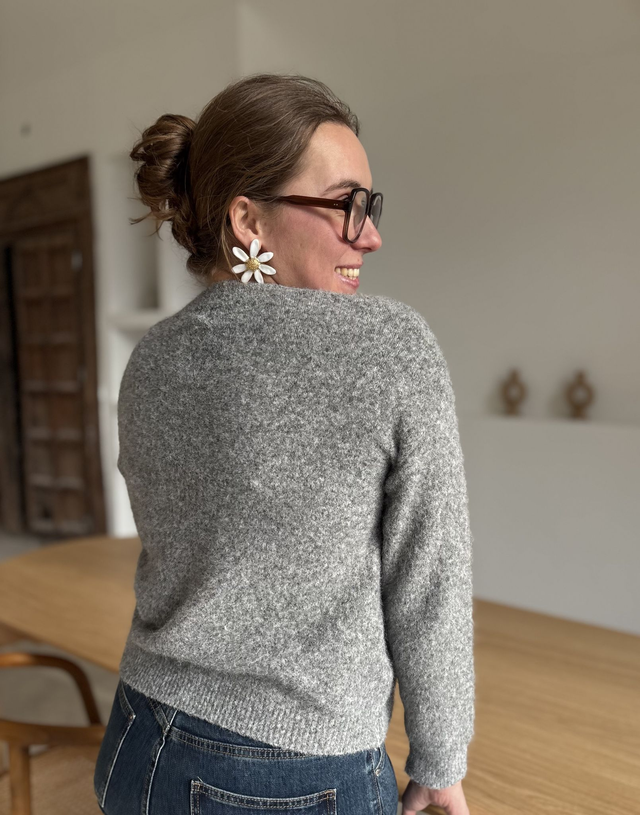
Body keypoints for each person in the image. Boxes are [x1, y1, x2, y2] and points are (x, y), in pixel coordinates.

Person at [93, 72, 475, 815]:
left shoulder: (153, 358)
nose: (370, 235)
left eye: (369, 206)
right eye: (344, 205)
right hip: (294, 774)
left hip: (137, 737)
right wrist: (440, 759)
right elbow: (429, 576)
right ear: (248, 220)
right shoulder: (391, 348)